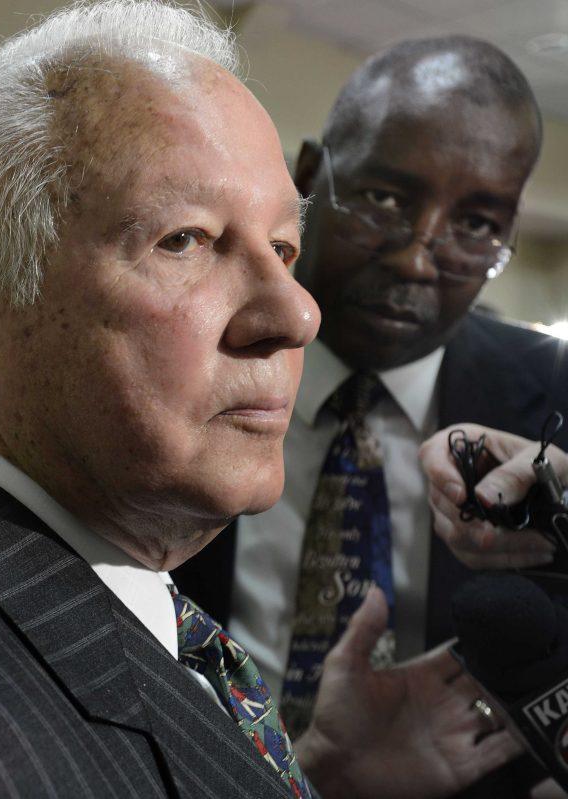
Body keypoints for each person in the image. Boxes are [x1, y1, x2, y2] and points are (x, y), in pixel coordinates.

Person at [0, 4, 519, 797]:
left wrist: (322, 778)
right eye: (186, 240)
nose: (297, 313)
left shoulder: (90, 565)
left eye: (282, 247)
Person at [171, 34, 565, 797]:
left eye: (477, 225)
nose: (420, 259)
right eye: (385, 199)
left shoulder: (558, 400)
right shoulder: (186, 359)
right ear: (311, 176)